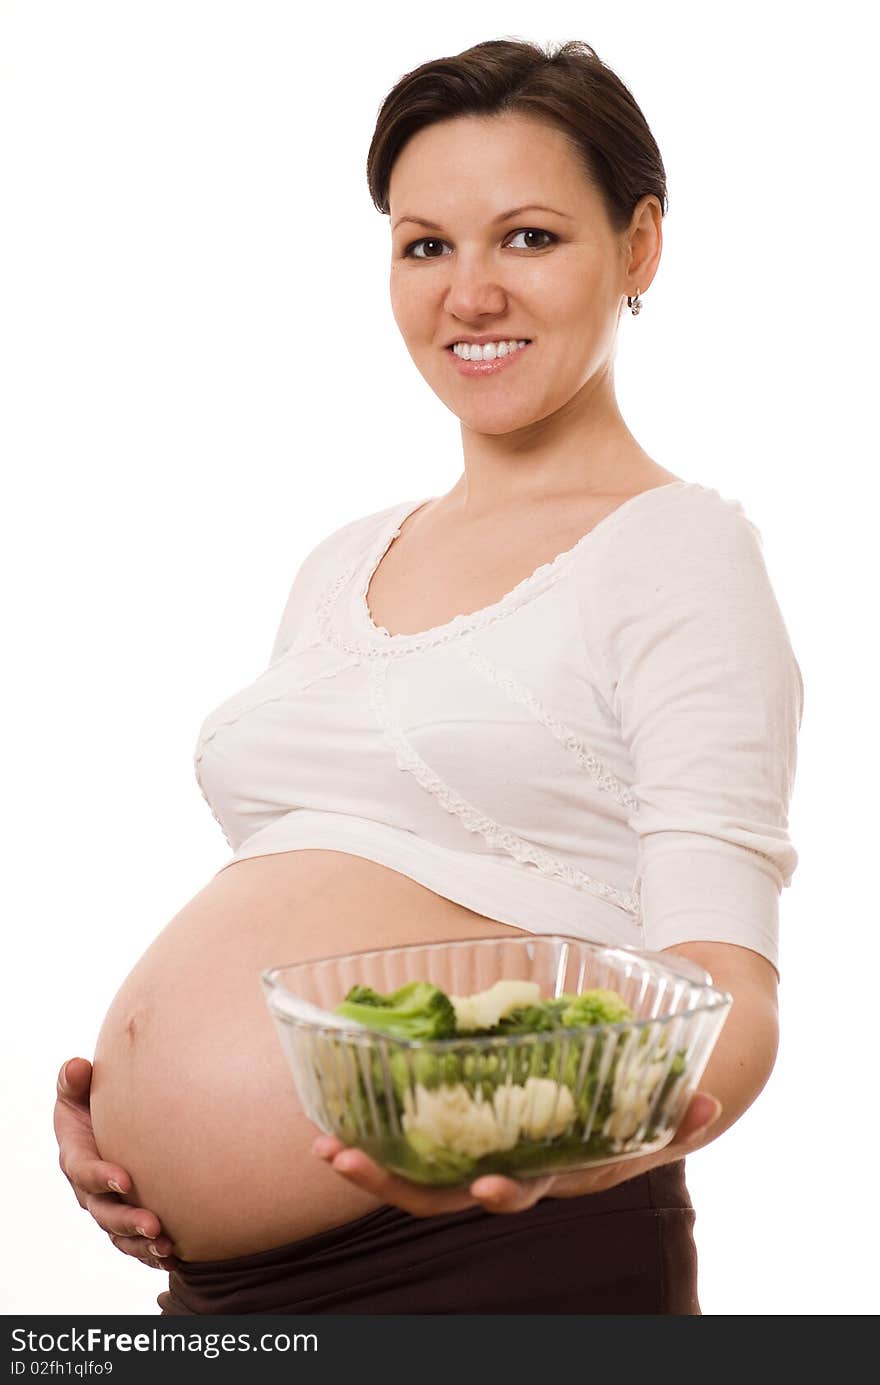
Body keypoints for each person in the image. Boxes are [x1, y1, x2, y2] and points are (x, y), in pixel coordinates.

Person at [53, 36, 801, 1315]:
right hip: (225, 1298)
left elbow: (729, 995)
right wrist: (139, 1117)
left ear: (639, 248)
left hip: (496, 1256)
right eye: (424, 245)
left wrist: (557, 1147)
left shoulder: (678, 550)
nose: (469, 295)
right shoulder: (342, 560)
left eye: (527, 238)